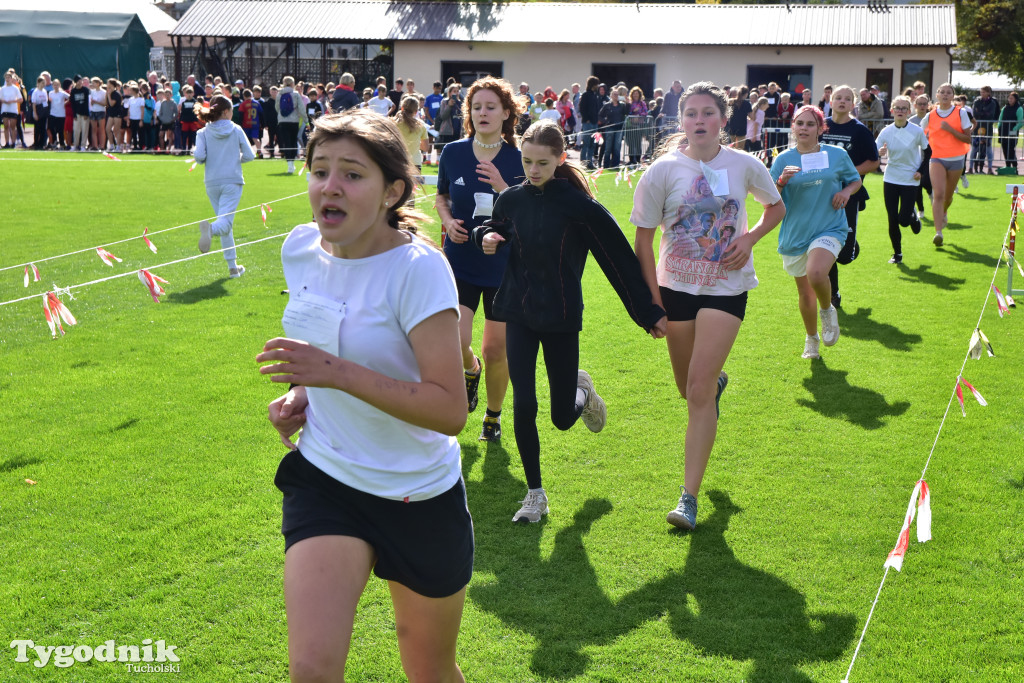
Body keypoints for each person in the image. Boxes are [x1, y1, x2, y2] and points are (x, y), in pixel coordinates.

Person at [257, 109, 472, 683]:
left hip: (418, 495)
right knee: (312, 669)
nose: (329, 186)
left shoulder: (418, 270)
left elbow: (450, 408)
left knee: (428, 670)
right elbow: (327, 338)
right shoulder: (301, 247)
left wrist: (335, 374)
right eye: (319, 170)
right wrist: (304, 392)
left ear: (390, 191)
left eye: (351, 174)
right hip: (327, 478)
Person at [475, 121, 667, 523]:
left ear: (561, 158)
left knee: (562, 418)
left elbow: (618, 260)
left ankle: (584, 392)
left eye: (542, 162)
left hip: (561, 317)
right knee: (523, 404)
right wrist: (486, 238)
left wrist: (646, 312)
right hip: (518, 312)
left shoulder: (580, 206)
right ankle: (535, 495)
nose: (533, 170)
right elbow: (495, 228)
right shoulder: (510, 199)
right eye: (527, 161)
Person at [632, 82, 785, 531]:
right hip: (674, 289)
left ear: (723, 119)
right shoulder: (661, 172)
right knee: (689, 389)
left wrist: (750, 237)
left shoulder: (744, 164)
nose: (699, 121)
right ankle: (713, 384)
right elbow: (643, 239)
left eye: (708, 113)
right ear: (681, 122)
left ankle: (688, 498)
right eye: (691, 114)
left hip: (726, 288)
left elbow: (775, 208)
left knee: (696, 392)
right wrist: (652, 300)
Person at [434, 77, 524, 442]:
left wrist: (504, 186)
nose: (483, 113)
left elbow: (531, 212)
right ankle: (471, 370)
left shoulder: (519, 158)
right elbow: (441, 197)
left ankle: (493, 414)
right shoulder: (453, 152)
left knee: (496, 348)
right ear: (468, 113)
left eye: (491, 106)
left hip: (504, 265)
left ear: (507, 113)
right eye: (476, 107)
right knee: (457, 338)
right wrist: (447, 221)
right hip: (460, 259)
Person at [770, 106, 860, 363]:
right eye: (800, 123)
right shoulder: (782, 160)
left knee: (817, 272)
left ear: (821, 129)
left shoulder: (837, 155)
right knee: (805, 292)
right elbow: (770, 200)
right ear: (793, 128)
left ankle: (827, 309)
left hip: (830, 227)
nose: (804, 128)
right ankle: (811, 339)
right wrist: (781, 182)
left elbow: (855, 181)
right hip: (796, 232)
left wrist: (845, 192)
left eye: (810, 124)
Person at [820, 85, 879, 309]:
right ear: (830, 101)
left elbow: (873, 162)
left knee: (844, 255)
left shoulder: (860, 130)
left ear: (853, 104)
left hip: (849, 194)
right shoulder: (820, 125)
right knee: (826, 244)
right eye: (838, 98)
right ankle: (833, 294)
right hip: (821, 194)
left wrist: (849, 173)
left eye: (847, 98)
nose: (842, 101)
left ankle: (852, 245)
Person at [194, 95, 255, 278]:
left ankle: (233, 268)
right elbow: (250, 155)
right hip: (232, 180)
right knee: (224, 223)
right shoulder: (236, 129)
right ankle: (210, 229)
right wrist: (235, 161)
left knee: (226, 223)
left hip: (212, 182)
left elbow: (199, 157)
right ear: (227, 112)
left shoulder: (203, 133)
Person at [875, 95, 928, 264]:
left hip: (910, 179)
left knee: (903, 221)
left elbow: (929, 152)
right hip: (890, 178)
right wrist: (879, 153)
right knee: (892, 218)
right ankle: (897, 254)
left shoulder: (916, 131)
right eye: (897, 108)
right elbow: (874, 150)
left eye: (904, 108)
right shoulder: (886, 131)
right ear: (892, 110)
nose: (900, 111)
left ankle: (912, 216)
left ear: (909, 111)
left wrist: (921, 171)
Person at [919, 83, 972, 247]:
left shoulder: (960, 113)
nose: (945, 95)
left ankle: (944, 212)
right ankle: (938, 233)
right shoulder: (930, 116)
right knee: (938, 194)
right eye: (941, 92)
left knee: (948, 197)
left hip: (956, 160)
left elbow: (968, 139)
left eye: (948, 92)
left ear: (952, 96)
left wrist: (950, 129)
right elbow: (918, 135)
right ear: (937, 95)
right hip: (937, 159)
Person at [277, 76, 308, 174]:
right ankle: (292, 162)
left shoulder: (279, 94)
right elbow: (302, 109)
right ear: (292, 84)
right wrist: (306, 120)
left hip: (282, 121)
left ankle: (289, 164)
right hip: (294, 121)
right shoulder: (296, 94)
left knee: (286, 142)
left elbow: (277, 107)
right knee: (293, 141)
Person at [971, 86, 999, 175]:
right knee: (974, 149)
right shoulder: (976, 101)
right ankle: (971, 168)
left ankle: (990, 168)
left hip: (988, 129)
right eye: (981, 92)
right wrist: (983, 112)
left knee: (988, 149)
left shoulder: (992, 102)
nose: (981, 94)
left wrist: (981, 112)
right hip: (977, 128)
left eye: (983, 92)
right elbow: (974, 113)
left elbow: (990, 115)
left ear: (988, 93)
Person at [395, 95, 428, 170]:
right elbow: (425, 148)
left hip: (398, 162)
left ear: (402, 108)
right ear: (416, 111)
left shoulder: (394, 124)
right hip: (415, 163)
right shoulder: (421, 126)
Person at [598, 88, 628, 169]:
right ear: (611, 95)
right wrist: (605, 121)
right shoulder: (607, 105)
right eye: (614, 94)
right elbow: (600, 115)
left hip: (619, 128)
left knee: (617, 148)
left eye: (617, 94)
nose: (616, 96)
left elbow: (627, 112)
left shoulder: (622, 105)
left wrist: (628, 102)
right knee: (608, 148)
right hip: (609, 128)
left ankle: (615, 165)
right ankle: (606, 165)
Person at [578, 76, 602, 169]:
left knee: (593, 144)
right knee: (586, 143)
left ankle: (590, 163)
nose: (598, 86)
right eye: (596, 84)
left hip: (594, 123)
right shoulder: (585, 95)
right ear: (593, 84)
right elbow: (582, 108)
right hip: (587, 123)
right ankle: (583, 163)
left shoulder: (595, 95)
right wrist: (587, 118)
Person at [998, 91, 1023, 173]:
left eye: (1011, 98)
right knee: (1005, 149)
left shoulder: (1019, 109)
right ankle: (1008, 167)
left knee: (1011, 150)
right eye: (1009, 98)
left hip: (1012, 132)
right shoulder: (1005, 108)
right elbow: (1000, 119)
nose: (1010, 100)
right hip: (1003, 131)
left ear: (1016, 99)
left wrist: (1014, 129)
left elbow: (1021, 121)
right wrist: (999, 127)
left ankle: (1015, 167)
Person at [1, 71, 23, 148]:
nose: (7, 79)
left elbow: (21, 99)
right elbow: (1, 99)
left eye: (8, 77)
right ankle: (7, 143)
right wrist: (4, 101)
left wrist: (12, 101)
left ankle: (13, 143)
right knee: (6, 126)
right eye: (6, 77)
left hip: (13, 109)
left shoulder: (15, 88)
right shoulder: (2, 89)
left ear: (11, 78)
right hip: (5, 109)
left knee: (13, 127)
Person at [239, 89, 263, 157]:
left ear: (244, 96)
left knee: (244, 139)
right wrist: (262, 124)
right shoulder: (257, 103)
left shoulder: (243, 104)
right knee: (255, 138)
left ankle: (243, 153)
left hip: (246, 124)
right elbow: (261, 114)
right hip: (255, 124)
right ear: (251, 95)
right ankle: (259, 152)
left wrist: (240, 124)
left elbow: (241, 115)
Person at [48, 79, 69, 150]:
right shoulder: (50, 93)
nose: (56, 86)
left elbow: (70, 97)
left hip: (61, 115)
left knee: (60, 130)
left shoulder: (62, 93)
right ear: (52, 85)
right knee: (52, 128)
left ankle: (62, 144)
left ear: (59, 85)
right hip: (53, 114)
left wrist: (65, 103)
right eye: (54, 85)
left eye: (57, 85)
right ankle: (54, 142)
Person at [29, 76, 49, 149]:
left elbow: (46, 102)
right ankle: (36, 143)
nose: (43, 84)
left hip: (43, 111)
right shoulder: (35, 92)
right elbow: (34, 103)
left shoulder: (44, 91)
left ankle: (41, 144)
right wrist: (35, 114)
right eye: (42, 83)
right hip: (38, 111)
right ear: (38, 83)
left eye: (44, 83)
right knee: (37, 128)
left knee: (43, 128)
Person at [89, 77, 107, 151]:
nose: (92, 84)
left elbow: (105, 104)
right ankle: (95, 146)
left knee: (102, 129)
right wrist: (92, 102)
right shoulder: (92, 91)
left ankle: (102, 146)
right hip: (93, 111)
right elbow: (91, 102)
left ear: (98, 83)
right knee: (94, 129)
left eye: (94, 82)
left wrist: (96, 102)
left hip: (101, 111)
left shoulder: (104, 92)